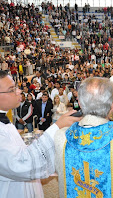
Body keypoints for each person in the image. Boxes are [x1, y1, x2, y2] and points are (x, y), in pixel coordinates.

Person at [0, 70, 81, 198]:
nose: (19, 91)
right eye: (12, 89)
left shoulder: (4, 121)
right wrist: (57, 126)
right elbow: (23, 164)